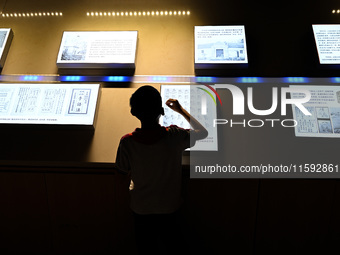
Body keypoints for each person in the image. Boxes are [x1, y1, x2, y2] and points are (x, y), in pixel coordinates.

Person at [115, 85, 208, 255]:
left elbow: (122, 171)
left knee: (146, 250)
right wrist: (181, 110)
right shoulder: (175, 136)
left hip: (141, 209)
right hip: (169, 208)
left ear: (134, 112)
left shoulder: (127, 142)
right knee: (175, 247)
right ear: (161, 111)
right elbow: (202, 133)